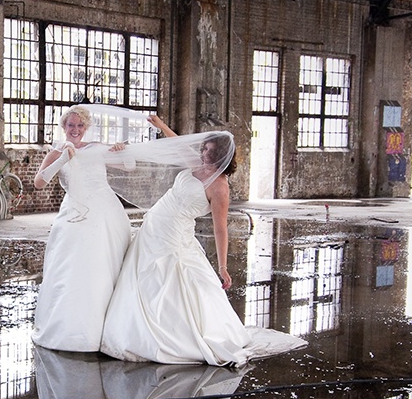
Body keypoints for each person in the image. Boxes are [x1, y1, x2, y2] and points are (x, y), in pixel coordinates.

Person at [101, 115, 306, 366]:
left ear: (221, 156)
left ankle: (168, 335)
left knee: (169, 280)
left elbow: (221, 229)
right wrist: (162, 125)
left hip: (174, 234)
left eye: (210, 152)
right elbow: (177, 144)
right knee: (140, 274)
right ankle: (133, 326)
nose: (205, 155)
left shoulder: (219, 187)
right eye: (204, 149)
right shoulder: (195, 165)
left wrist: (222, 267)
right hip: (155, 224)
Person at [31, 105, 132, 352]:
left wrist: (121, 152)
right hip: (74, 211)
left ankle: (108, 327)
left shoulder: (97, 147)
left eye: (79, 125)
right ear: (63, 127)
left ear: (85, 128)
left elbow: (128, 166)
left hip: (105, 211)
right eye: (70, 125)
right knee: (72, 267)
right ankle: (72, 326)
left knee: (103, 265)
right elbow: (39, 182)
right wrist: (64, 158)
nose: (75, 130)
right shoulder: (56, 150)